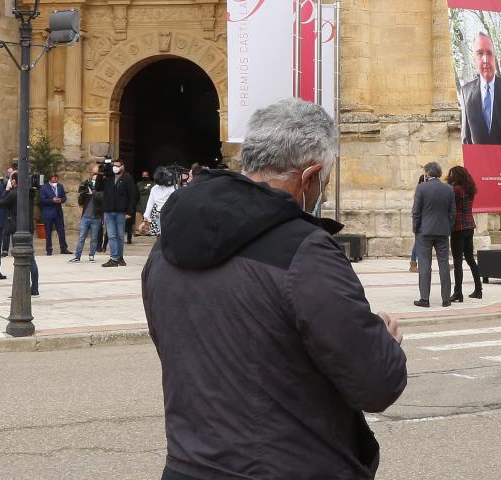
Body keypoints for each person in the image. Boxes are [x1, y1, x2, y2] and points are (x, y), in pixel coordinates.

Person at [143, 98, 407, 480]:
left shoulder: (165, 248)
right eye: (325, 181)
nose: (324, 192)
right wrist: (383, 344)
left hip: (189, 467)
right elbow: (376, 384)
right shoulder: (305, 251)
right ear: (310, 175)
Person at [459, 30, 501, 145]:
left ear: (494, 56)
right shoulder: (465, 92)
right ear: (474, 59)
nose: (485, 60)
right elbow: (466, 139)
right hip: (478, 162)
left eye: (489, 53)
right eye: (480, 53)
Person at [411, 161, 455, 308]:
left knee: (424, 265)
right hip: (443, 231)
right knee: (444, 264)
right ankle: (446, 299)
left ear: (428, 173)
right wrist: (448, 227)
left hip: (425, 231)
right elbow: (452, 212)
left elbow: (416, 211)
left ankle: (424, 298)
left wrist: (416, 229)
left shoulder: (421, 188)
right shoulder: (448, 189)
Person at [0, 173, 40, 296]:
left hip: (18, 229)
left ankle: (22, 288)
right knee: (31, 259)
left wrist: (6, 190)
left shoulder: (14, 193)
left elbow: (1, 203)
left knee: (20, 259)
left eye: (11, 180)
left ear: (15, 181)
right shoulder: (30, 192)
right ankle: (34, 287)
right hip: (28, 228)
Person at [446, 165, 481, 302]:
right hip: (469, 226)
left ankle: (458, 292)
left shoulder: (456, 190)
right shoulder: (470, 189)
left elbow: (450, 206)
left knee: (457, 261)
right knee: (470, 258)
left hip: (458, 227)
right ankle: (478, 289)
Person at [98, 158, 138, 267]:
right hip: (109, 211)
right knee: (111, 235)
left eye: (117, 165)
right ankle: (114, 258)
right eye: (113, 165)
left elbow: (132, 196)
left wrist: (130, 211)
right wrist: (100, 174)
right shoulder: (108, 177)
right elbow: (98, 187)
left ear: (122, 166)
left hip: (121, 211)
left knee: (120, 236)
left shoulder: (127, 178)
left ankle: (119, 257)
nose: (114, 167)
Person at [72, 162, 104, 263]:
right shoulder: (87, 185)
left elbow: (102, 199)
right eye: (93, 174)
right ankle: (77, 256)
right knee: (81, 237)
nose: (94, 177)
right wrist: (83, 193)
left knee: (94, 238)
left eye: (96, 174)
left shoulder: (101, 189)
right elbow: (80, 202)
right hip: (85, 217)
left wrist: (93, 193)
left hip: (96, 217)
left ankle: (91, 255)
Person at [138, 165, 179, 237]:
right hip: (169, 215)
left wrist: (145, 220)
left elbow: (149, 205)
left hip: (163, 215)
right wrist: (145, 220)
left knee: (163, 238)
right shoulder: (174, 187)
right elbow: (150, 205)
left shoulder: (155, 188)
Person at [39, 172, 69, 255]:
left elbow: (64, 197)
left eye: (56, 177)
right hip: (48, 212)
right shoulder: (44, 188)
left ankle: (63, 248)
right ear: (50, 178)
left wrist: (61, 200)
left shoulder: (60, 186)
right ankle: (49, 249)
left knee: (61, 230)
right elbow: (42, 200)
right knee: (48, 231)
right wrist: (52, 200)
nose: (55, 179)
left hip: (58, 212)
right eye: (54, 177)